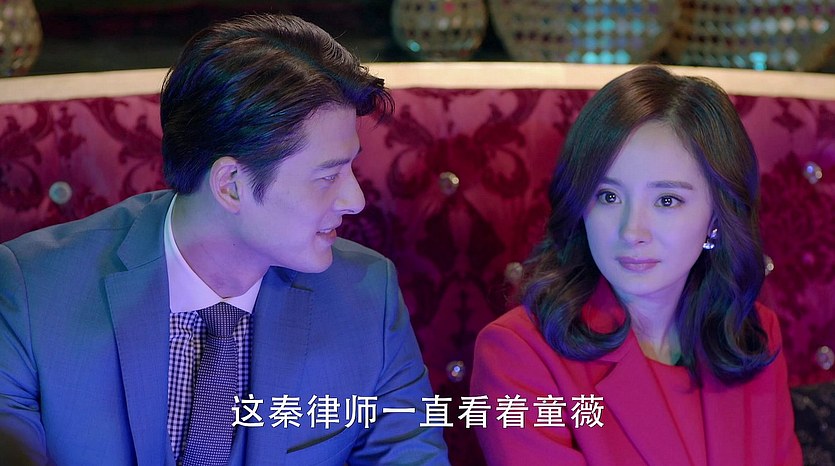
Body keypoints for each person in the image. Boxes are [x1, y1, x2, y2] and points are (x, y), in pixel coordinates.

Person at [0, 14, 449, 465]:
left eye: (351, 168)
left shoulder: (367, 298)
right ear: (231, 185)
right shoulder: (32, 292)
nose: (355, 200)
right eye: (327, 176)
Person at [471, 65, 802, 465]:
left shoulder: (751, 336)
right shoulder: (518, 353)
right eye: (608, 196)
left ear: (717, 217)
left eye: (667, 200)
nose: (633, 231)